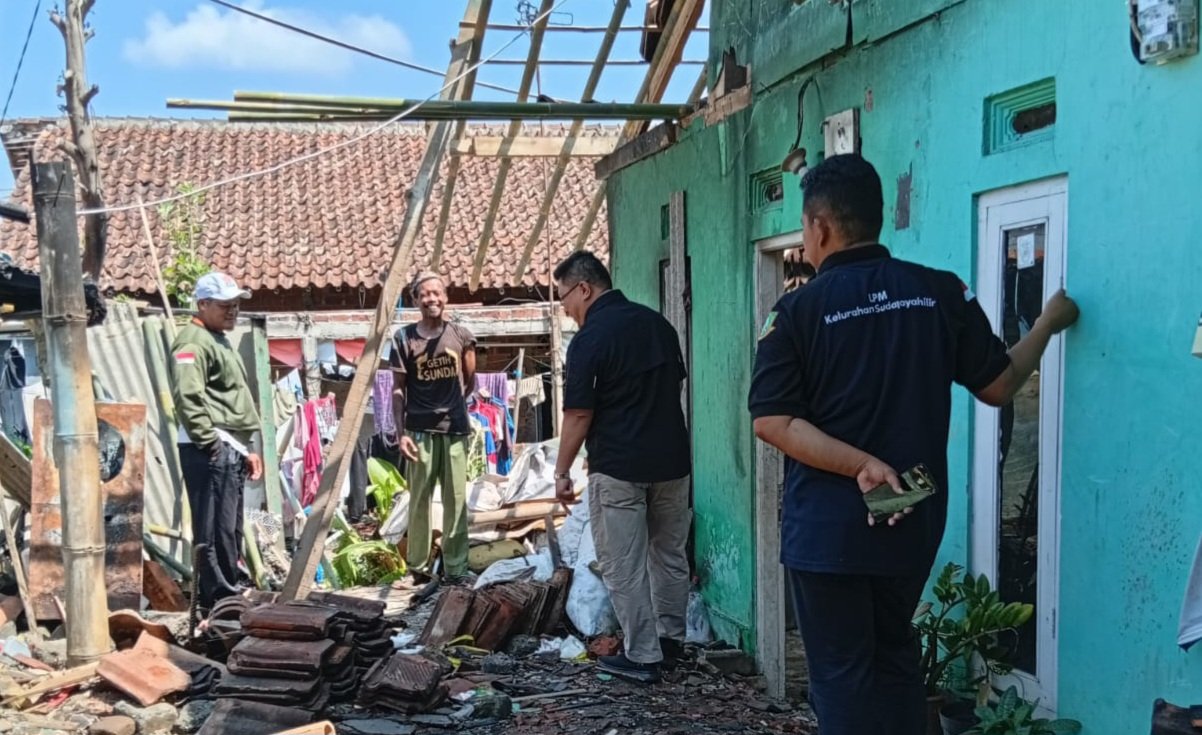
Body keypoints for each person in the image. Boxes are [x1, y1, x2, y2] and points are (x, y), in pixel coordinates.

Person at [748, 154, 1079, 735]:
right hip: (909, 512)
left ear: (819, 227)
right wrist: (1048, 324)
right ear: (876, 217)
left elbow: (772, 421)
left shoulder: (796, 312)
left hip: (829, 531)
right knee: (896, 659)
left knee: (843, 677)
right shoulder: (938, 292)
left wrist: (860, 463)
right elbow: (999, 385)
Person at [552, 251, 692, 685]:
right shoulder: (659, 325)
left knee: (623, 564)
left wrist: (561, 471)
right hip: (672, 462)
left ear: (584, 289)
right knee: (669, 556)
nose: (565, 309)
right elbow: (672, 387)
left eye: (564, 298)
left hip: (619, 467)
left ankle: (644, 657)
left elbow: (579, 413)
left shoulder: (590, 340)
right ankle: (670, 644)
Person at [170, 272, 264, 611]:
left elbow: (227, 400)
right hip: (210, 445)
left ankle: (229, 591)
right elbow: (188, 396)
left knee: (228, 528)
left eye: (236, 304)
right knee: (212, 530)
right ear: (203, 304)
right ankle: (219, 600)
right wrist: (210, 443)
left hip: (228, 444)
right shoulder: (193, 342)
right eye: (225, 305)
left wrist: (245, 449)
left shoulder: (217, 338)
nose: (233, 310)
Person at [387, 272, 476, 583]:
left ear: (446, 297)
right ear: (415, 300)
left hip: (454, 430)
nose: (431, 299)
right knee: (419, 501)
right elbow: (398, 389)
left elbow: (469, 381)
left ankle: (456, 569)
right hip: (418, 432)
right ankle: (418, 568)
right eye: (424, 294)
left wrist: (451, 405)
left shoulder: (462, 336)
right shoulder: (404, 339)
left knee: (456, 501)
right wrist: (401, 434)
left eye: (437, 292)